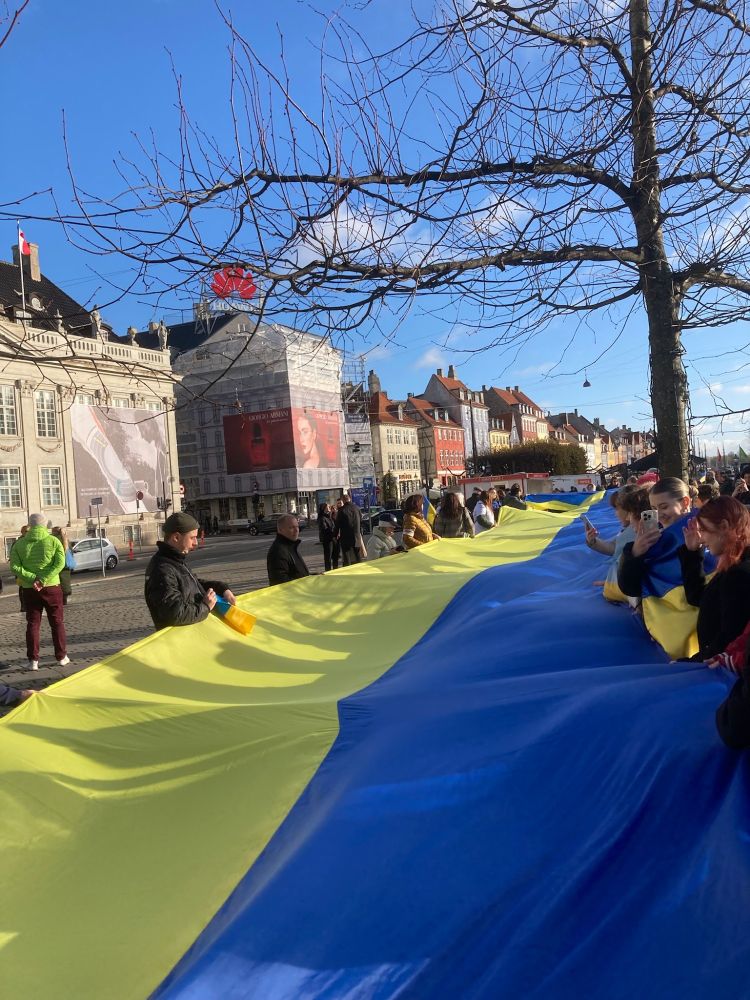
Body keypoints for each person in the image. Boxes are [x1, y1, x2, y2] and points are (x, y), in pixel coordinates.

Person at [678, 497, 750, 661]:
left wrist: (690, 664)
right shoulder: (733, 566)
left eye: (704, 530)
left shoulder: (739, 574)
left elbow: (729, 639)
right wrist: (691, 554)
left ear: (724, 527)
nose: (701, 538)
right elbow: (700, 598)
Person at [144, 512, 236, 629]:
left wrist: (222, 589)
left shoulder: (175, 560)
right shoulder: (162, 569)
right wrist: (205, 607)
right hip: (178, 642)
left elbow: (194, 585)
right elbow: (174, 613)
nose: (196, 543)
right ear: (176, 537)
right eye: (192, 538)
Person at [10, 513, 69, 671]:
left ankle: (33, 661)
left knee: (33, 624)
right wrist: (43, 579)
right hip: (52, 587)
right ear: (45, 525)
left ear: (29, 525)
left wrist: (32, 578)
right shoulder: (53, 541)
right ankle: (61, 656)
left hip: (30, 589)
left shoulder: (19, 544)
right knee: (57, 623)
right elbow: (60, 563)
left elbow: (14, 567)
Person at [618, 477, 692, 598]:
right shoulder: (653, 538)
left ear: (685, 502)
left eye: (664, 507)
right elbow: (630, 588)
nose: (659, 515)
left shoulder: (705, 531)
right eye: (654, 509)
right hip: (660, 613)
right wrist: (634, 554)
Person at [267, 513, 311, 585]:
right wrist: (304, 583)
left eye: (297, 527)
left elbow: (298, 573)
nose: (296, 530)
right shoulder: (278, 551)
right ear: (280, 530)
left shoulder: (291, 546)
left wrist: (312, 577)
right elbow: (279, 581)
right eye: (291, 527)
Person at [336, 493, 366, 566]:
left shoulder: (341, 510)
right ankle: (360, 569)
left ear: (343, 500)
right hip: (356, 536)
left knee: (346, 556)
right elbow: (361, 521)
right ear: (350, 499)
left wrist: (335, 534)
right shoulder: (357, 508)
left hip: (345, 537)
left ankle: (348, 571)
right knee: (358, 555)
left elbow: (337, 524)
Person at [52, 526, 76, 605]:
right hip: (66, 565)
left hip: (57, 565)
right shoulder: (66, 539)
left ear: (54, 532)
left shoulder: (53, 540)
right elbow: (71, 552)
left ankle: (60, 599)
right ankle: (65, 598)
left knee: (57, 582)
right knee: (65, 582)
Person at [317, 502, 337, 571]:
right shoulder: (322, 518)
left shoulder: (329, 516)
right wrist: (333, 531)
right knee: (328, 557)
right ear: (324, 509)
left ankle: (335, 570)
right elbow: (324, 529)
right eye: (328, 507)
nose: (330, 508)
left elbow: (334, 524)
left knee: (335, 556)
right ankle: (328, 570)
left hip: (333, 538)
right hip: (327, 540)